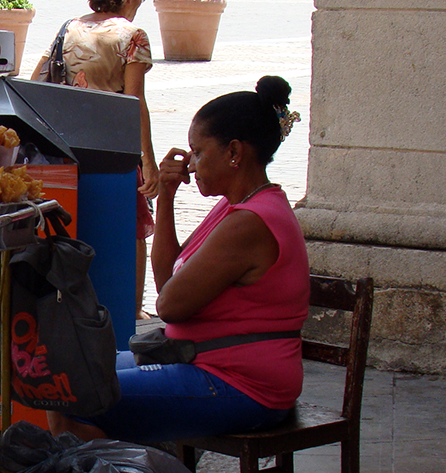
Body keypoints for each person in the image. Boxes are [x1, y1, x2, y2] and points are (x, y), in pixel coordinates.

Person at [48, 76, 309, 444]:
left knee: (72, 395)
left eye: (199, 152)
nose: (192, 163)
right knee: (63, 379)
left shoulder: (249, 222)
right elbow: (169, 276)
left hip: (241, 383)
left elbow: (169, 304)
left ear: (234, 152)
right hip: (205, 363)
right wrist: (166, 198)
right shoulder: (234, 207)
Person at [29, 0, 157, 318]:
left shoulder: (69, 28)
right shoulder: (132, 36)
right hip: (114, 145)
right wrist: (147, 160)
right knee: (133, 227)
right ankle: (132, 306)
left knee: (81, 217)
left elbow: (38, 79)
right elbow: (135, 104)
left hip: (68, 143)